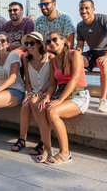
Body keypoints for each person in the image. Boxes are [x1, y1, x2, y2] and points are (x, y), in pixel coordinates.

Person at [33, 31, 90, 164]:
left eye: (54, 40)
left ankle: (65, 153)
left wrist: (59, 100)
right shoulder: (53, 61)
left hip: (78, 94)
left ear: (63, 40)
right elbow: (52, 84)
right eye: (48, 42)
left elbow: (75, 79)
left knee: (53, 111)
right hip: (62, 93)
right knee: (40, 106)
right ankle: (47, 148)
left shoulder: (75, 54)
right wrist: (47, 97)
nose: (52, 43)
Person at [11, 32, 53, 153]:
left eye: (32, 43)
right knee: (25, 105)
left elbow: (52, 82)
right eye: (27, 43)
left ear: (40, 44)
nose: (28, 46)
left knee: (35, 103)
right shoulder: (26, 59)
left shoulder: (50, 58)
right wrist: (29, 94)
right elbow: (27, 82)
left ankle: (43, 140)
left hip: (46, 91)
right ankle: (22, 139)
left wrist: (41, 93)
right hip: (32, 91)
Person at [76, 0, 107, 112]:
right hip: (92, 52)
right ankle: (78, 94)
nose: (84, 11)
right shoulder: (80, 26)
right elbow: (80, 46)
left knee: (104, 64)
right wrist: (76, 56)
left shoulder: (103, 19)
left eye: (87, 8)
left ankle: (103, 100)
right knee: (75, 61)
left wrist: (106, 56)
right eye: (81, 8)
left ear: (93, 9)